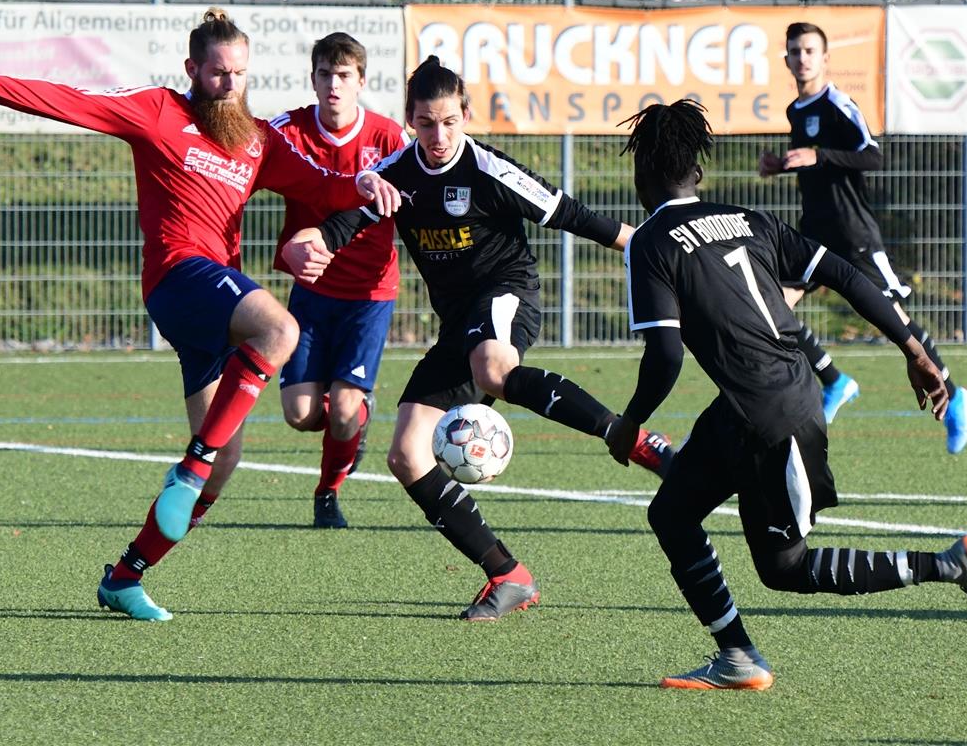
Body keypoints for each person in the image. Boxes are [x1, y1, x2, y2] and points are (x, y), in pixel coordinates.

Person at [0, 8, 401, 622]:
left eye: (241, 75)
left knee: (226, 460)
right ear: (192, 69)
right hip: (179, 276)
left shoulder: (255, 139)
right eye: (219, 73)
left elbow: (321, 184)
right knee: (279, 330)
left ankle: (125, 575)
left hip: (214, 303)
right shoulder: (158, 110)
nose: (230, 85)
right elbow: (69, 101)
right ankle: (188, 467)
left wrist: (363, 187)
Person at [607, 99, 967, 691]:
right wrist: (918, 352)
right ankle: (736, 657)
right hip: (777, 396)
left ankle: (948, 565)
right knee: (672, 510)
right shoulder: (749, 220)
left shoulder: (652, 242)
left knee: (785, 569)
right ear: (698, 173)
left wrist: (629, 423)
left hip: (767, 418)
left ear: (641, 174)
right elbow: (848, 277)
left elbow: (666, 355)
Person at [284, 56, 675, 622]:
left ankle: (634, 440)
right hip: (458, 327)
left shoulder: (489, 169)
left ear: (465, 115)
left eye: (448, 121)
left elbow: (574, 215)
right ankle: (507, 574)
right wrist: (314, 240)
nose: (438, 136)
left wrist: (660, 253)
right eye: (425, 123)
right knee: (406, 454)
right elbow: (348, 223)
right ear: (410, 120)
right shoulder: (397, 174)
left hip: (506, 296)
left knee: (493, 366)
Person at [759, 21, 967, 452]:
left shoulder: (839, 103)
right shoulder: (795, 111)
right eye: (794, 52)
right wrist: (783, 165)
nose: (801, 59)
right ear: (786, 59)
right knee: (771, 304)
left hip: (853, 232)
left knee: (893, 319)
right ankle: (834, 380)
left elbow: (872, 155)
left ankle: (954, 393)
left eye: (809, 51)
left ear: (824, 58)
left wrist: (819, 155)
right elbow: (816, 168)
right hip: (813, 232)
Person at [269, 33, 409, 528]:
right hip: (311, 291)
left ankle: (327, 493)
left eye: (344, 75)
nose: (334, 85)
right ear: (313, 79)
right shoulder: (286, 132)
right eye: (325, 75)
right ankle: (354, 424)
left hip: (370, 294)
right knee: (300, 414)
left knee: (345, 408)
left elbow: (420, 201)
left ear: (361, 82)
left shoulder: (390, 139)